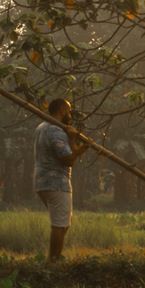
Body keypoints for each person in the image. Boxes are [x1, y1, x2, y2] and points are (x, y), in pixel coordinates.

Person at [34, 97, 91, 261]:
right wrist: (72, 138)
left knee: (65, 221)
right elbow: (69, 161)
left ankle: (52, 258)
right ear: (62, 111)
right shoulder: (56, 131)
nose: (71, 115)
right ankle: (53, 263)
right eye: (70, 111)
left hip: (42, 182)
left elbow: (67, 155)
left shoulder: (42, 127)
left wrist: (80, 150)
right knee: (59, 226)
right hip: (56, 183)